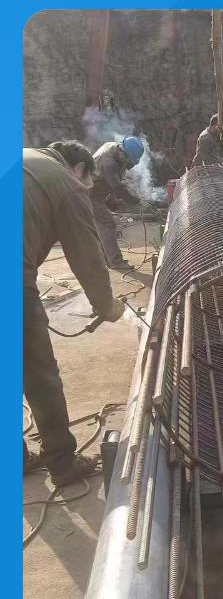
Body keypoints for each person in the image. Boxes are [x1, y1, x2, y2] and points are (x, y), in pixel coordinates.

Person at [23, 141, 125, 487]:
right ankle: (63, 463)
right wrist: (107, 306)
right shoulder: (65, 182)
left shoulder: (26, 160)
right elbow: (87, 255)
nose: (88, 189)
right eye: (89, 181)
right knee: (39, 373)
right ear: (79, 169)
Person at [90, 136, 145, 271]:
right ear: (122, 152)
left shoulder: (115, 148)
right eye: (128, 160)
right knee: (107, 224)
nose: (128, 163)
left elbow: (118, 176)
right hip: (89, 195)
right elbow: (118, 188)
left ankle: (107, 259)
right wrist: (135, 201)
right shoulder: (108, 163)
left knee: (101, 226)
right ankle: (116, 261)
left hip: (96, 192)